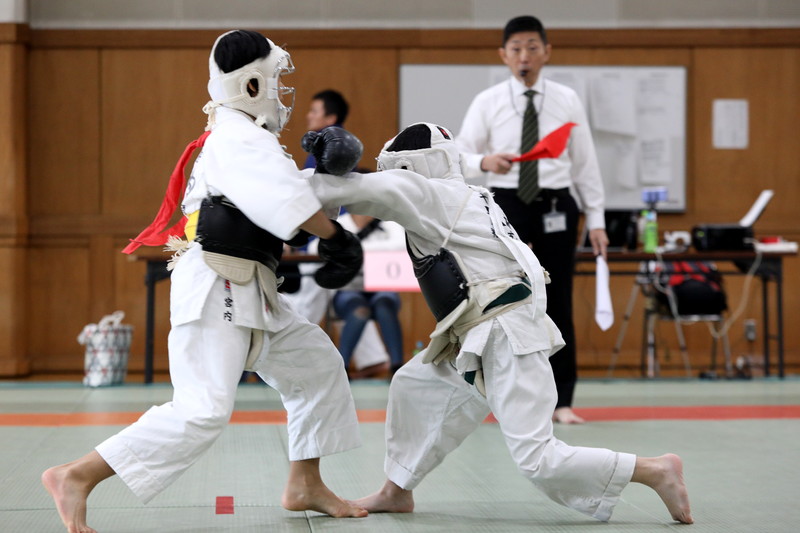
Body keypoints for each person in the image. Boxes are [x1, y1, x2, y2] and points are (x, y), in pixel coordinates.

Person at [41, 29, 369, 533]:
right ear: (252, 85)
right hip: (219, 282)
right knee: (203, 409)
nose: (283, 90)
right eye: (275, 79)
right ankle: (76, 475)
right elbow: (281, 197)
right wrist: (336, 238)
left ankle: (306, 483)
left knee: (316, 365)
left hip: (249, 284)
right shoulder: (237, 133)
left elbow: (279, 195)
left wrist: (328, 185)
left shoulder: (244, 138)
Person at [305, 122, 693, 525]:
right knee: (414, 386)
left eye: (396, 170)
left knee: (538, 459)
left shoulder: (428, 192)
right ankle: (397, 490)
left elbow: (340, 191)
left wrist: (272, 173)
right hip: (476, 330)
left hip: (504, 332)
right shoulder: (471, 195)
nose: (393, 178)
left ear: (413, 167)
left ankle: (654, 469)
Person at [456, 15, 609, 424]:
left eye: (532, 48)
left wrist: (596, 218)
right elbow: (460, 155)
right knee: (502, 300)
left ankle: (562, 402)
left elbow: (586, 163)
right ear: (504, 55)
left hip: (557, 205)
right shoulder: (487, 101)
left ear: (546, 52)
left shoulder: (566, 99)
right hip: (507, 202)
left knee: (558, 300)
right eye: (517, 49)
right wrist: (484, 160)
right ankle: (499, 397)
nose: (525, 57)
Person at [331, 213, 406, 376]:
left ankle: (397, 367)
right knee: (359, 311)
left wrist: (351, 250)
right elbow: (316, 247)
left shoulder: (389, 224)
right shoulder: (340, 224)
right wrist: (378, 252)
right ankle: (341, 367)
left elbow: (400, 246)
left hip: (382, 287)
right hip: (349, 290)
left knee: (384, 305)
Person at [304, 89, 350, 170]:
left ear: (331, 118)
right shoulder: (343, 140)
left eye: (314, 112)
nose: (308, 116)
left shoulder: (327, 144)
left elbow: (313, 177)